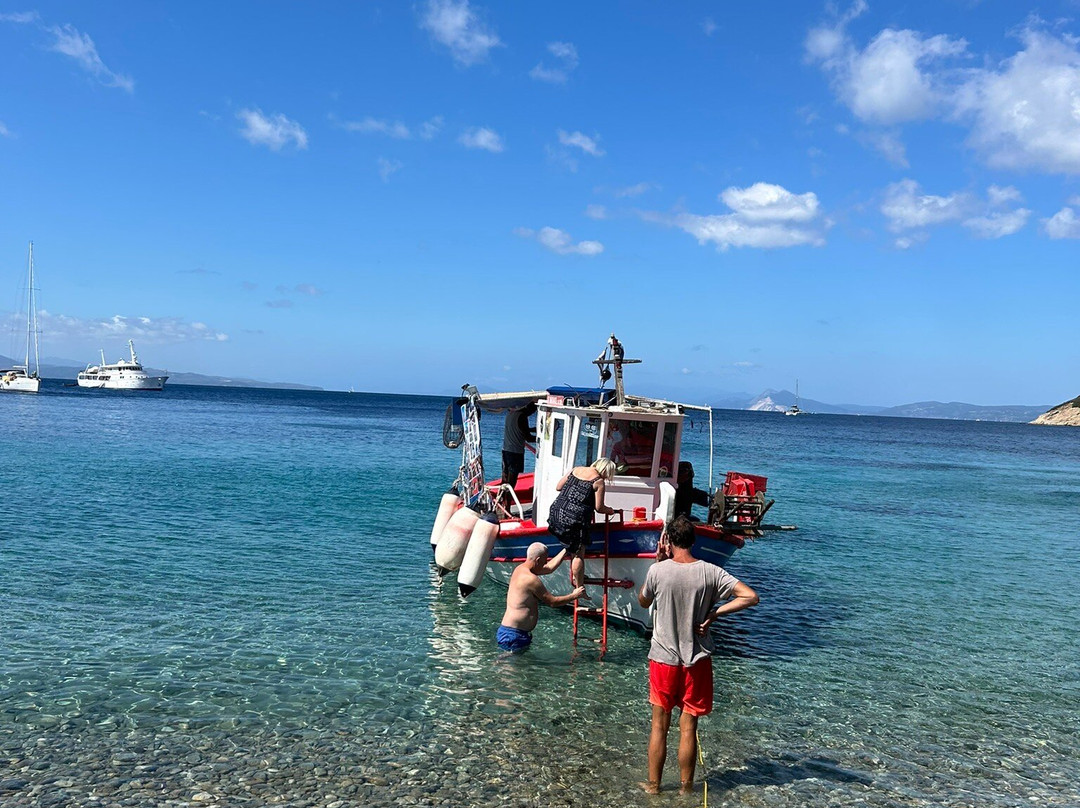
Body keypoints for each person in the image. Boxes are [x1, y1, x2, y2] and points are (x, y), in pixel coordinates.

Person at [637, 516, 759, 795]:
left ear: (668, 540)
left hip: (663, 660)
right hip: (696, 659)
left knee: (659, 725)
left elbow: (643, 600)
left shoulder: (658, 571)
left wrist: (658, 562)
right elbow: (750, 597)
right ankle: (685, 790)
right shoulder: (711, 572)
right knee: (688, 727)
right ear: (693, 541)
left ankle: (654, 787)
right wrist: (715, 613)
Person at [546, 457, 618, 599]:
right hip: (574, 519)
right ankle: (580, 589)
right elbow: (599, 507)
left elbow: (559, 487)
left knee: (573, 548)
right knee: (579, 553)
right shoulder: (598, 481)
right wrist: (611, 511)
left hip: (556, 512)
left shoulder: (575, 470)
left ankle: (577, 575)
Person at [496, 542, 586, 653]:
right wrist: (574, 595)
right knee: (508, 668)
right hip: (513, 635)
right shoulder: (530, 579)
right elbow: (552, 602)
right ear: (538, 560)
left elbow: (549, 568)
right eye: (543, 562)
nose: (545, 564)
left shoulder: (520, 569)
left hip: (514, 633)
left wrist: (565, 550)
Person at [501, 403, 537, 490]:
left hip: (506, 450)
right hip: (516, 452)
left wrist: (532, 429)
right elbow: (528, 438)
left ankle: (502, 500)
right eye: (532, 411)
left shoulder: (510, 413)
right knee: (511, 483)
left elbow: (519, 428)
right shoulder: (522, 417)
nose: (531, 413)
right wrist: (542, 439)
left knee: (505, 479)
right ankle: (507, 503)